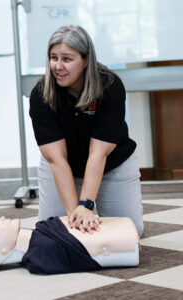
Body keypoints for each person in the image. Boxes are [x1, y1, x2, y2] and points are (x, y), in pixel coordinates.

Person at [29, 25, 143, 236]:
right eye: (53, 58)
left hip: (111, 163)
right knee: (52, 232)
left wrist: (86, 204)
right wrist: (77, 215)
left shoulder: (109, 85)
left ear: (86, 60)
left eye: (67, 59)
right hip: (62, 166)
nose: (58, 66)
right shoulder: (41, 94)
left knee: (132, 232)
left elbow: (98, 152)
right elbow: (56, 159)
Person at [0, 216, 140, 274]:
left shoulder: (40, 235)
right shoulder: (42, 251)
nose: (1, 218)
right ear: (3, 249)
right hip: (124, 240)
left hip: (122, 230)